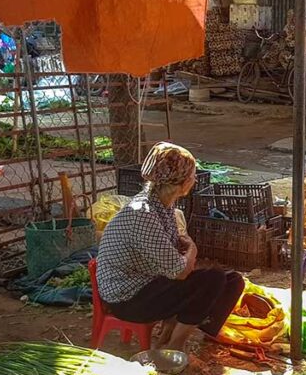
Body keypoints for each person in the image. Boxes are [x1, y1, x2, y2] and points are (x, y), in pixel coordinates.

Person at [95, 142, 244, 361]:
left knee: (233, 281)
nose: (194, 180)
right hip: (127, 299)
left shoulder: (163, 206)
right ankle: (173, 348)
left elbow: (173, 253)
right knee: (211, 278)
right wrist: (192, 248)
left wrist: (184, 252)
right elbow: (180, 271)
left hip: (148, 281)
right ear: (181, 183)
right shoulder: (143, 214)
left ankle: (183, 332)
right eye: (192, 176)